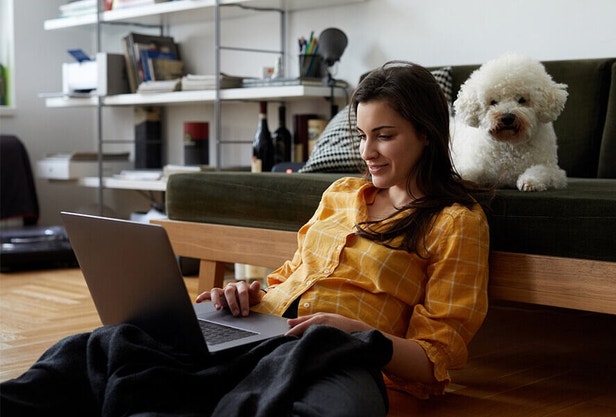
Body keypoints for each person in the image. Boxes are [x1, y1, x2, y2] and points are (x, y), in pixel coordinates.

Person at [0, 61, 490, 417]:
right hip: (261, 331)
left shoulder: (454, 222)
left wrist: (352, 330)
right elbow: (290, 276)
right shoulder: (342, 193)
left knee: (332, 407)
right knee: (102, 345)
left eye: (384, 136)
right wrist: (244, 293)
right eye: (361, 136)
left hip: (337, 351)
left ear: (426, 134)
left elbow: (435, 361)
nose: (368, 152)